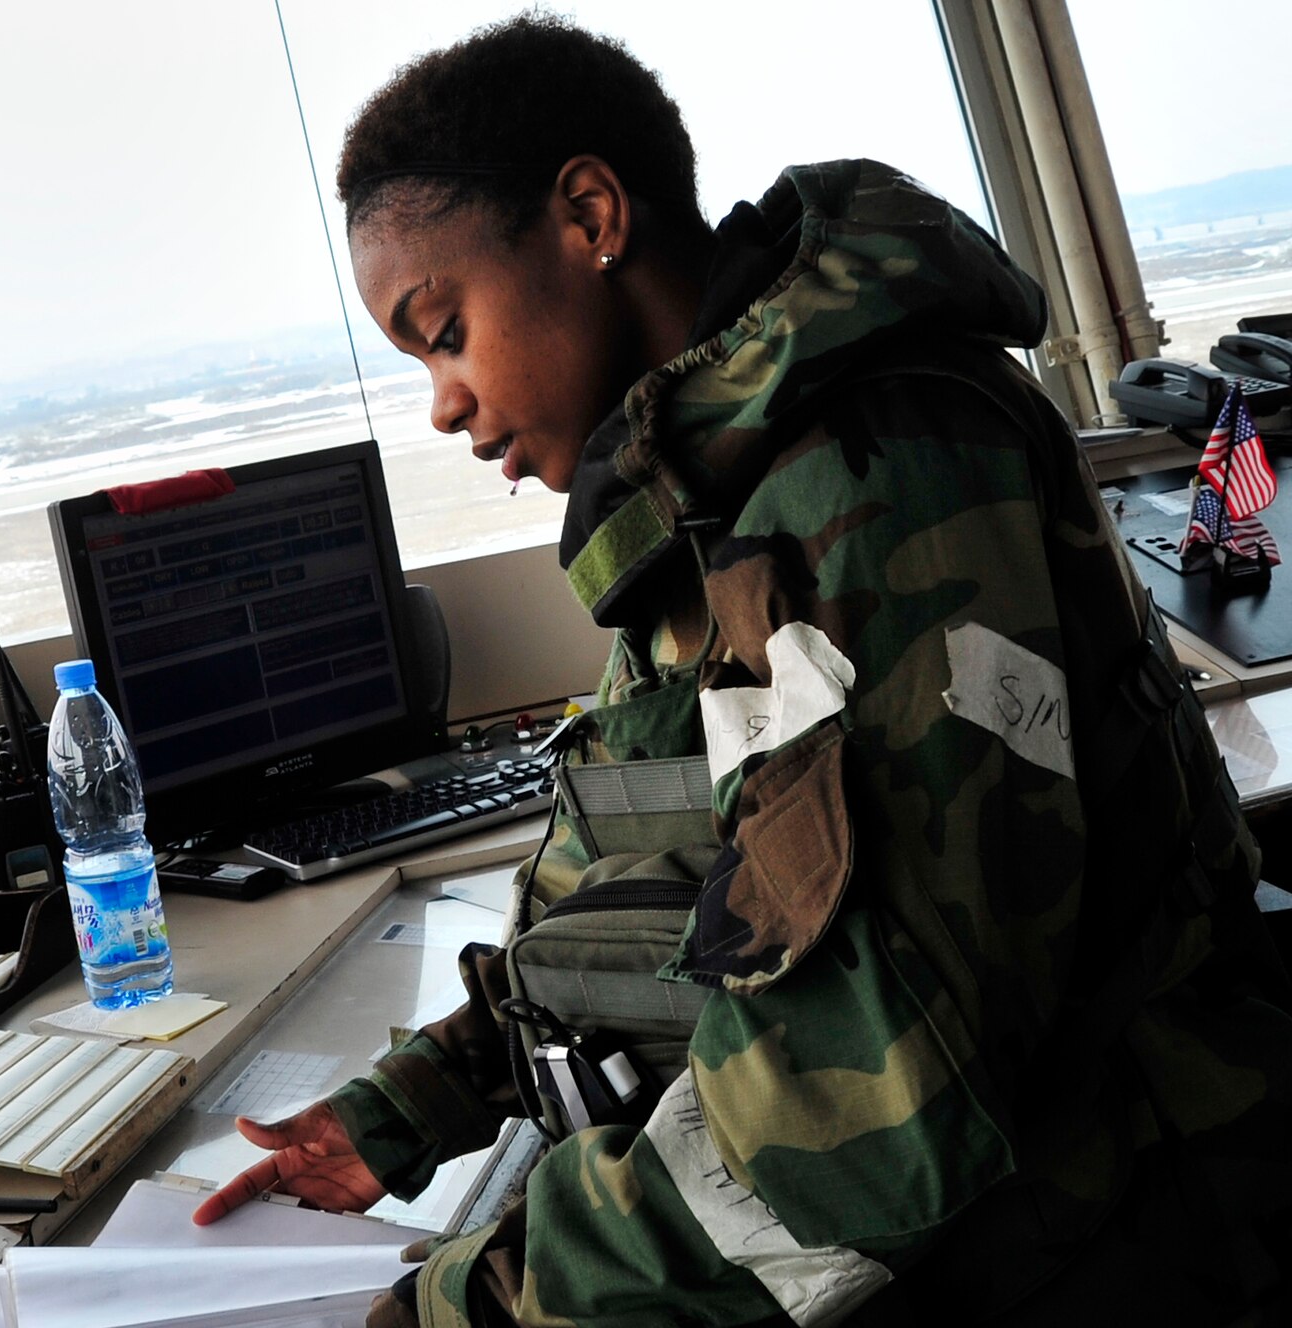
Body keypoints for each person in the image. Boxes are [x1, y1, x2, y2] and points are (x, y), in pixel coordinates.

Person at [193, 13, 1292, 1327]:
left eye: (443, 329)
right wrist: (421, 1099)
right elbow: (661, 892)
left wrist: (468, 1307)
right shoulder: (710, 504)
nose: (444, 401)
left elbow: (864, 1119)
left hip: (1113, 1230)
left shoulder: (870, 476)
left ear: (590, 216)